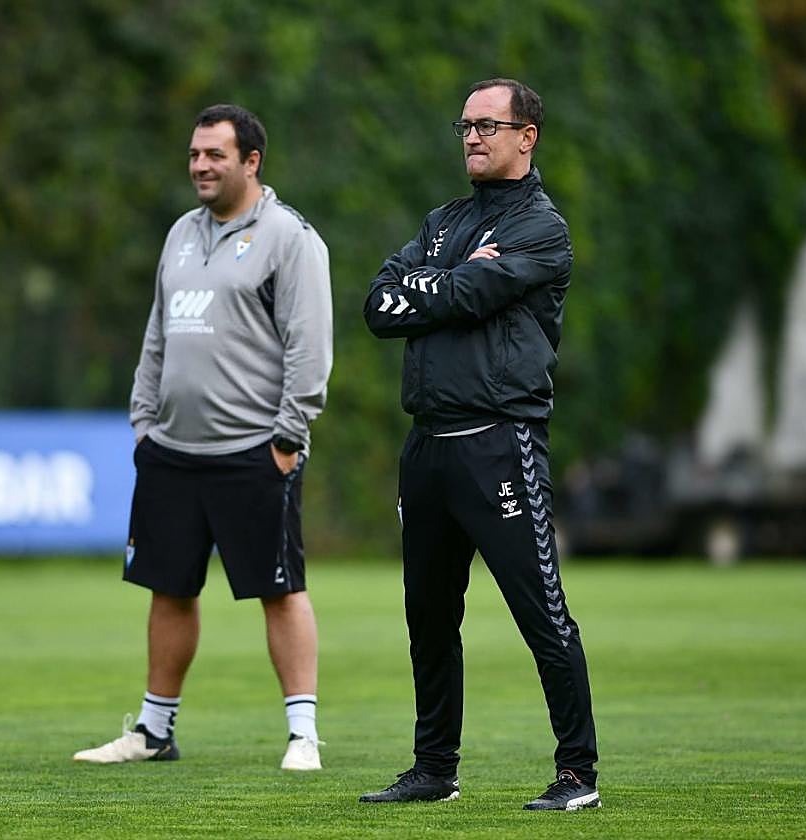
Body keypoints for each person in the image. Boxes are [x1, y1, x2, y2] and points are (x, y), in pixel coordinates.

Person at [359, 79, 600, 810]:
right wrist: (450, 278)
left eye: (488, 125)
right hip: (427, 449)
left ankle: (577, 775)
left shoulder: (542, 228)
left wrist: (438, 287)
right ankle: (435, 768)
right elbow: (379, 303)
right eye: (465, 125)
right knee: (429, 618)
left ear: (527, 136)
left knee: (541, 613)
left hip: (498, 442)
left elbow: (462, 297)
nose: (472, 137)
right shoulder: (443, 221)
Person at [73, 104, 333, 771]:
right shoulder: (181, 234)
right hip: (172, 451)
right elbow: (157, 334)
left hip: (255, 449)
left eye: (214, 154)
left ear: (251, 161)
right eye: (194, 154)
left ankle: (302, 735)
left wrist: (288, 435)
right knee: (169, 587)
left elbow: (310, 346)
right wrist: (142, 423)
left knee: (280, 589)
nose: (199, 166)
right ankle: (154, 732)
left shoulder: (288, 237)